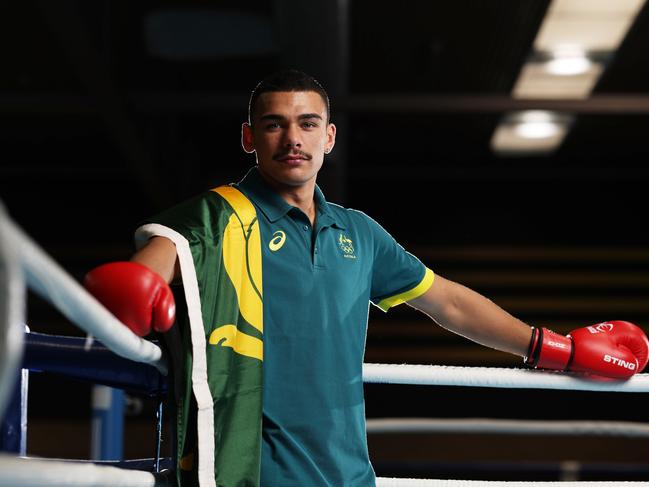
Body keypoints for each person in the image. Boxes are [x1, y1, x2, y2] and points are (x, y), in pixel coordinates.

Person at [83, 69, 649, 487]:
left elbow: (445, 301)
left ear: (329, 137)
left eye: (307, 124)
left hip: (350, 475)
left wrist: (550, 348)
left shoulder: (359, 233)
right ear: (249, 138)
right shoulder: (220, 215)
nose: (292, 139)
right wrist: (137, 290)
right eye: (274, 125)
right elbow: (150, 268)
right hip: (252, 473)